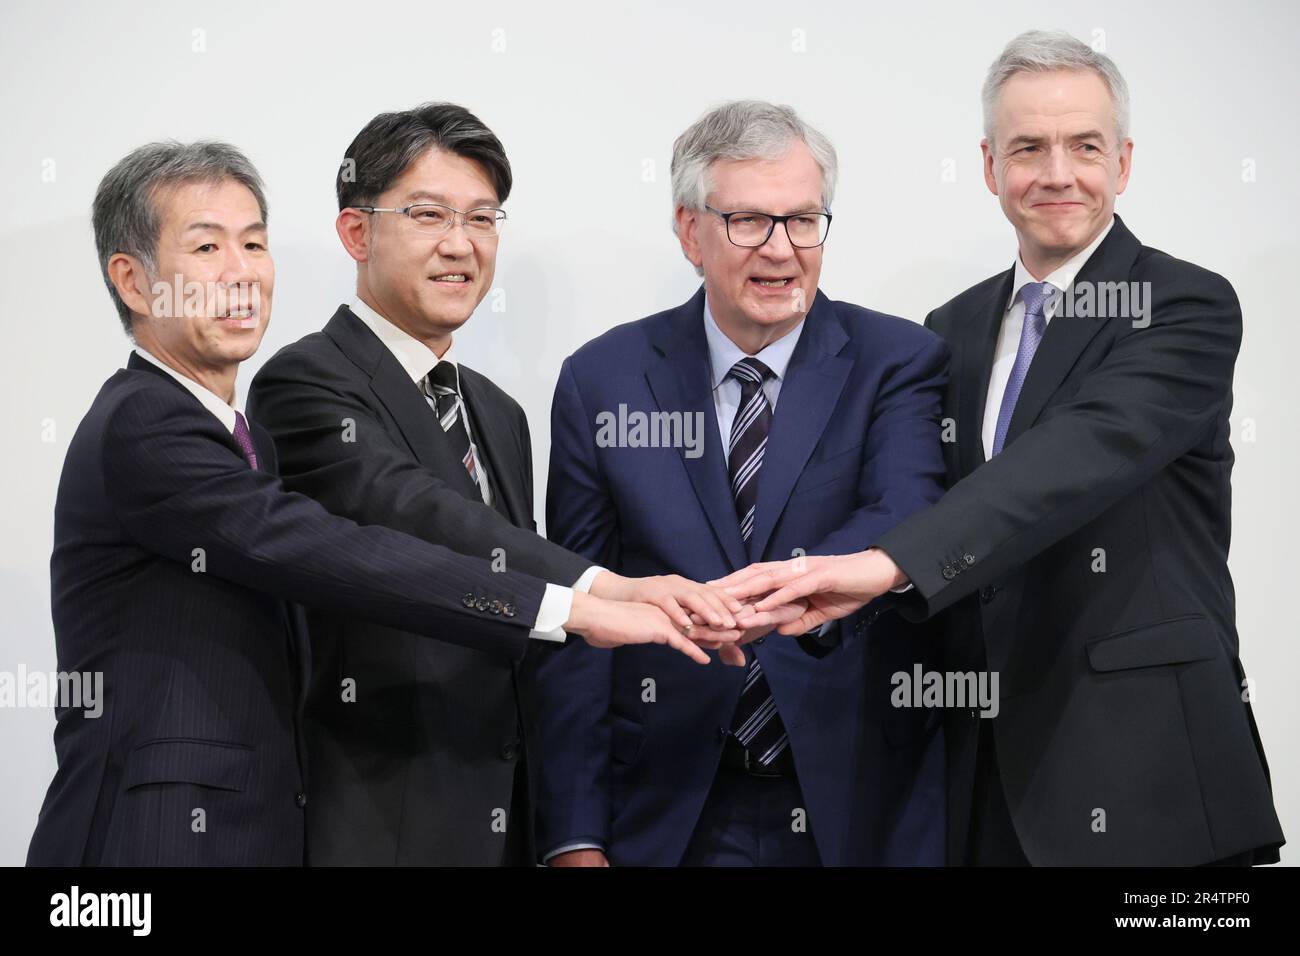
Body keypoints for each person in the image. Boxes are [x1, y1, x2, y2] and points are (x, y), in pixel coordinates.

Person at [27, 140, 736, 867]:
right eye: (206, 247)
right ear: (135, 283)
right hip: (153, 841)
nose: (240, 273)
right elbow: (338, 550)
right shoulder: (145, 421)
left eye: (254, 243)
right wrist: (571, 604)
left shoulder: (244, 441)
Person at [720, 32, 1285, 866]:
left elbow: (1073, 458)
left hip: (1148, 775)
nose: (1057, 172)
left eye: (1084, 146)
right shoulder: (951, 330)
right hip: (981, 787)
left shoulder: (1184, 305)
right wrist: (799, 598)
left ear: (1123, 163)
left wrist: (883, 564)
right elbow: (919, 502)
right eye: (1029, 147)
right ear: (990, 168)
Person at [531, 101, 950, 866]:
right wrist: (574, 835)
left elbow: (908, 513)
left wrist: (784, 593)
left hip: (857, 809)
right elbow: (578, 610)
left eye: (803, 220)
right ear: (691, 232)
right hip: (670, 813)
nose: (782, 250)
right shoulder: (603, 380)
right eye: (749, 222)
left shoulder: (898, 359)